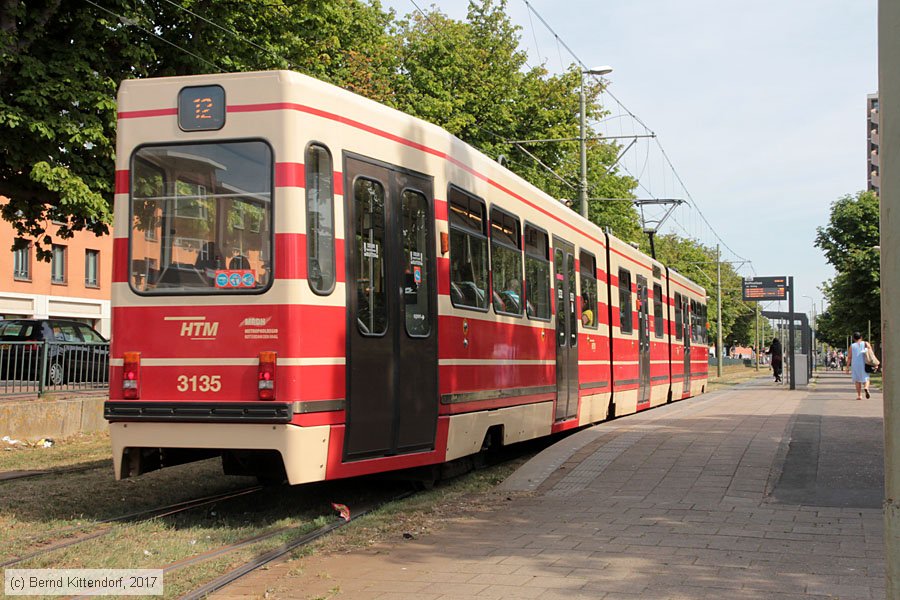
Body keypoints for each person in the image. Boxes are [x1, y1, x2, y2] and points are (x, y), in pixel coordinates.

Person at [847, 331, 873, 400]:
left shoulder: (852, 346)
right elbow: (871, 354)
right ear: (861, 337)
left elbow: (849, 357)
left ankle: (859, 395)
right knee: (866, 378)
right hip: (865, 363)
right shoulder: (866, 343)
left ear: (853, 339)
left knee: (857, 380)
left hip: (855, 364)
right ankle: (866, 388)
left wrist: (847, 367)